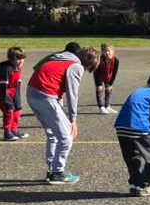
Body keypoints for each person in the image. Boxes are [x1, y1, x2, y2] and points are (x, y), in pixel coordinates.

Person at [26, 45, 100, 184]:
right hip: (45, 96)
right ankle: (58, 172)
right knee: (67, 136)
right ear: (89, 64)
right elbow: (72, 94)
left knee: (53, 134)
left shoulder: (59, 57)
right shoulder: (76, 66)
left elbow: (41, 71)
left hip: (32, 94)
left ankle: (51, 169)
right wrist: (73, 120)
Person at [115, 69, 150, 197]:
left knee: (134, 158)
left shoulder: (138, 91)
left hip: (121, 128)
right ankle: (144, 186)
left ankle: (134, 185)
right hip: (138, 128)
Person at [0, 46, 29, 141]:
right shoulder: (6, 69)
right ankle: (7, 132)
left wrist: (17, 98)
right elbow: (2, 87)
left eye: (21, 59)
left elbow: (17, 84)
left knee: (17, 108)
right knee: (9, 109)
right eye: (17, 59)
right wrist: (6, 101)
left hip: (12, 90)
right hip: (0, 92)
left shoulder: (18, 68)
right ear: (11, 59)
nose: (20, 61)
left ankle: (14, 130)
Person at [94, 43, 120, 114]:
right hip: (99, 75)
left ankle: (107, 106)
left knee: (109, 89)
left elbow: (114, 73)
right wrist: (99, 84)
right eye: (105, 51)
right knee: (99, 89)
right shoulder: (99, 60)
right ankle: (101, 107)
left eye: (109, 51)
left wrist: (111, 84)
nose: (107, 53)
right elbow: (96, 73)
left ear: (113, 52)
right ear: (102, 52)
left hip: (109, 76)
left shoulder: (116, 60)